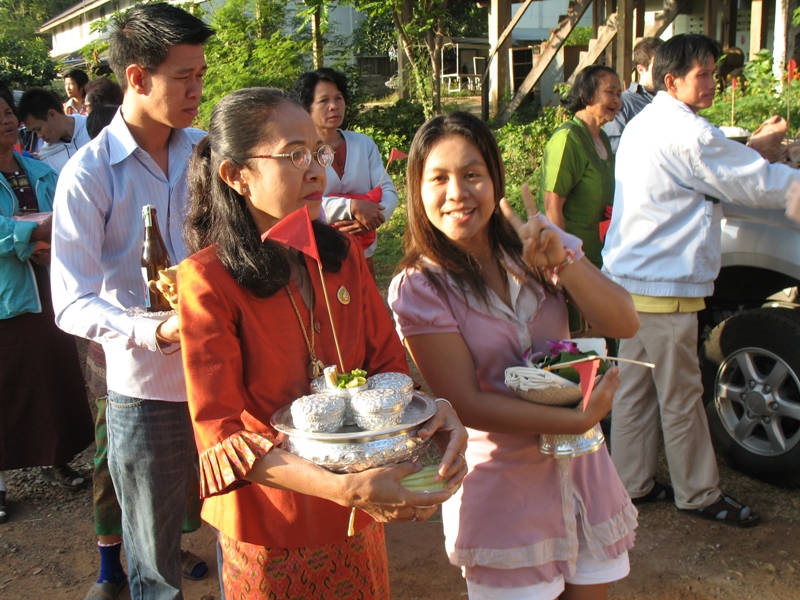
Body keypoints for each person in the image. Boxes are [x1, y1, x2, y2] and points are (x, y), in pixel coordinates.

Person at [179, 86, 468, 599]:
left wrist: (432, 415)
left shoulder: (343, 257)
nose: (319, 171)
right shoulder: (207, 280)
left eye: (318, 152)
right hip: (271, 519)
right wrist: (344, 488)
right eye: (295, 155)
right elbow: (221, 432)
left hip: (357, 514)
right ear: (236, 175)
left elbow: (386, 365)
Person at [389, 111, 639, 600]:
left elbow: (623, 322)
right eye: (438, 178)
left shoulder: (534, 249)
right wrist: (579, 419)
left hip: (584, 478)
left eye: (472, 174)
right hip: (504, 498)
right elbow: (466, 401)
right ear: (418, 192)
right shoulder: (420, 286)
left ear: (494, 180)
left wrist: (563, 260)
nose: (457, 192)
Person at [50, 4, 214, 598]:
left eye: (201, 73)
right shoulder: (90, 174)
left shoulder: (206, 154)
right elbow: (71, 300)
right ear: (137, 78)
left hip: (221, 378)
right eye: (183, 77)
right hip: (146, 393)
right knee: (153, 562)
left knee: (236, 528)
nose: (198, 89)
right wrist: (153, 331)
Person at [602, 34, 800, 527]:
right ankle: (699, 494)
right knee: (683, 397)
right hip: (663, 290)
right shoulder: (688, 132)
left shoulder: (648, 123)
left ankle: (632, 483)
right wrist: (786, 175)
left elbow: (712, 177)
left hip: (630, 286)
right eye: (703, 74)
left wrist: (752, 150)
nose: (713, 82)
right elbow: (751, 181)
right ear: (672, 80)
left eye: (714, 72)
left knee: (633, 393)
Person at [0, 83, 93, 525]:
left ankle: (56, 459)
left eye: (4, 110)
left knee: (52, 380)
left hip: (49, 284)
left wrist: (55, 241)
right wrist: (28, 237)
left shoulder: (36, 166)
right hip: (8, 295)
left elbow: (69, 211)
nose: (2, 119)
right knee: (6, 388)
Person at [292, 68, 398, 279]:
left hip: (363, 251)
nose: (334, 106)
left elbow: (387, 189)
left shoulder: (363, 144)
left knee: (365, 307)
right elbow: (298, 201)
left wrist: (372, 218)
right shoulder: (299, 152)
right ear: (306, 107)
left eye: (338, 98)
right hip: (319, 252)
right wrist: (350, 207)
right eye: (324, 101)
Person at [539, 65, 621, 271]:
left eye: (619, 94)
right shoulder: (567, 139)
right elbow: (551, 207)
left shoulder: (602, 137)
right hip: (571, 262)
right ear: (586, 94)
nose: (617, 100)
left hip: (599, 254)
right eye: (610, 92)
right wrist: (565, 259)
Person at [604, 37, 663, 153]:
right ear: (641, 69)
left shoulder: (673, 99)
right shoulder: (624, 102)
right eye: (658, 67)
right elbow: (613, 145)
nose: (665, 72)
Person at [18, 88, 91, 173]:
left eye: (38, 129)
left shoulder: (94, 127)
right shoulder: (47, 158)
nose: (39, 136)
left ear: (52, 115)